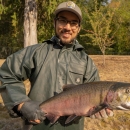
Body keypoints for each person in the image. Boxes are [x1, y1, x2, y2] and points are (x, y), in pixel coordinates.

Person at [0, 1, 113, 130]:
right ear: (55, 22)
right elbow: (7, 74)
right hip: (37, 126)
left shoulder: (87, 63)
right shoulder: (34, 53)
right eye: (63, 20)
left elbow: (96, 100)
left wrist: (98, 110)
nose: (68, 27)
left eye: (74, 23)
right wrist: (21, 103)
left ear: (79, 28)